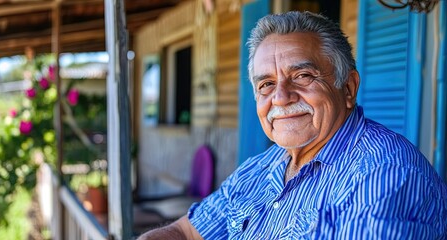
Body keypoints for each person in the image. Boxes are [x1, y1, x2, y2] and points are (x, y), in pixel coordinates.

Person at [138, 11, 447, 239]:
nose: (281, 98)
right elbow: (188, 232)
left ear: (348, 88)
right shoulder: (261, 168)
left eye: (302, 76)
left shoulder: (383, 173)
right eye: (267, 84)